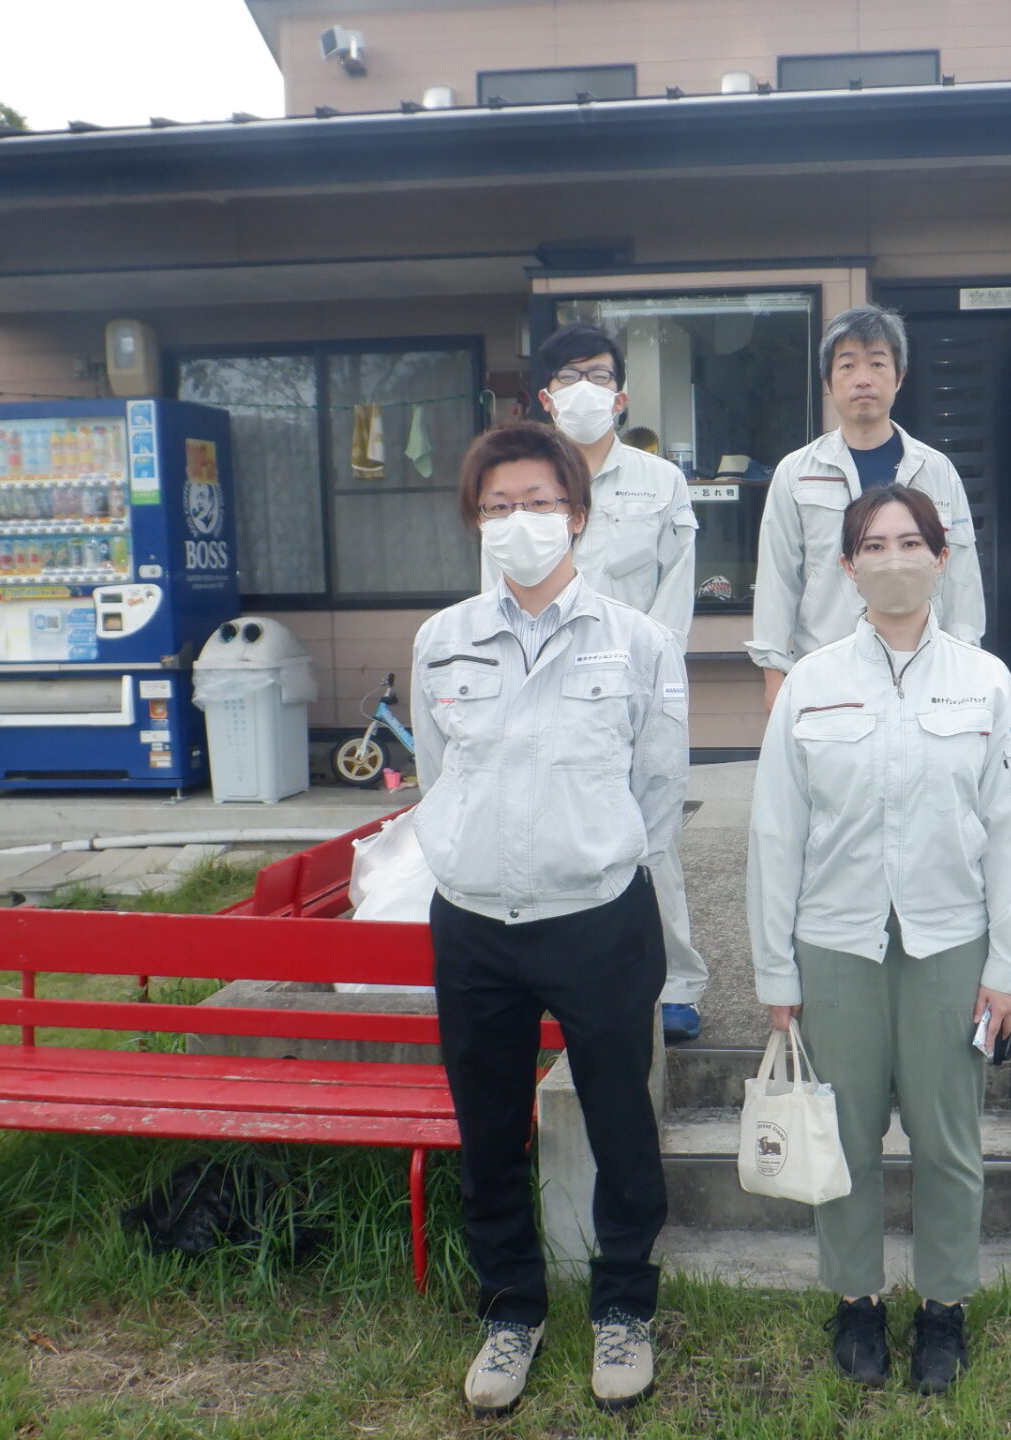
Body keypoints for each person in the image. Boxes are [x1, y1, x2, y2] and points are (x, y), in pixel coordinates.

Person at [749, 485, 1011, 1394]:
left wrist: (1010, 965)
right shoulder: (811, 683)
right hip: (835, 946)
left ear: (941, 558)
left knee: (948, 1140)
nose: (893, 559)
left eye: (910, 542)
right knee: (842, 1135)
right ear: (848, 568)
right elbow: (775, 833)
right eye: (872, 546)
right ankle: (857, 1301)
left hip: (949, 946)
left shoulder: (985, 681)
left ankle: (944, 1308)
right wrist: (775, 970)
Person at [415, 422, 687, 1417]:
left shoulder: (638, 641)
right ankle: (510, 1312)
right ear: (476, 521)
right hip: (475, 921)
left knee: (621, 1123)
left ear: (576, 513)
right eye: (498, 506)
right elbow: (440, 779)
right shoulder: (442, 639)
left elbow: (658, 788)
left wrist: (595, 853)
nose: (518, 521)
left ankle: (623, 1308)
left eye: (537, 502)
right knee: (489, 1129)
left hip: (598, 917)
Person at [482, 322, 710, 1045]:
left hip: (636, 685)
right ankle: (570, 981)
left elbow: (676, 585)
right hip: (546, 682)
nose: (586, 389)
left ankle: (675, 984)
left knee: (651, 833)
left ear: (621, 396)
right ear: (546, 398)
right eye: (570, 376)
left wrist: (656, 678)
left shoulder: (660, 482)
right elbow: (497, 586)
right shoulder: (522, 484)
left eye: (601, 376)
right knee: (557, 828)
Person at [746, 303, 985, 712]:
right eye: (847, 365)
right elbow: (777, 577)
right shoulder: (796, 473)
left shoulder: (936, 470)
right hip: (826, 667)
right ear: (828, 381)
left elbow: (961, 574)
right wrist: (774, 673)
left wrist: (966, 661)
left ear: (900, 377)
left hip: (924, 667)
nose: (863, 379)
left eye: (877, 363)